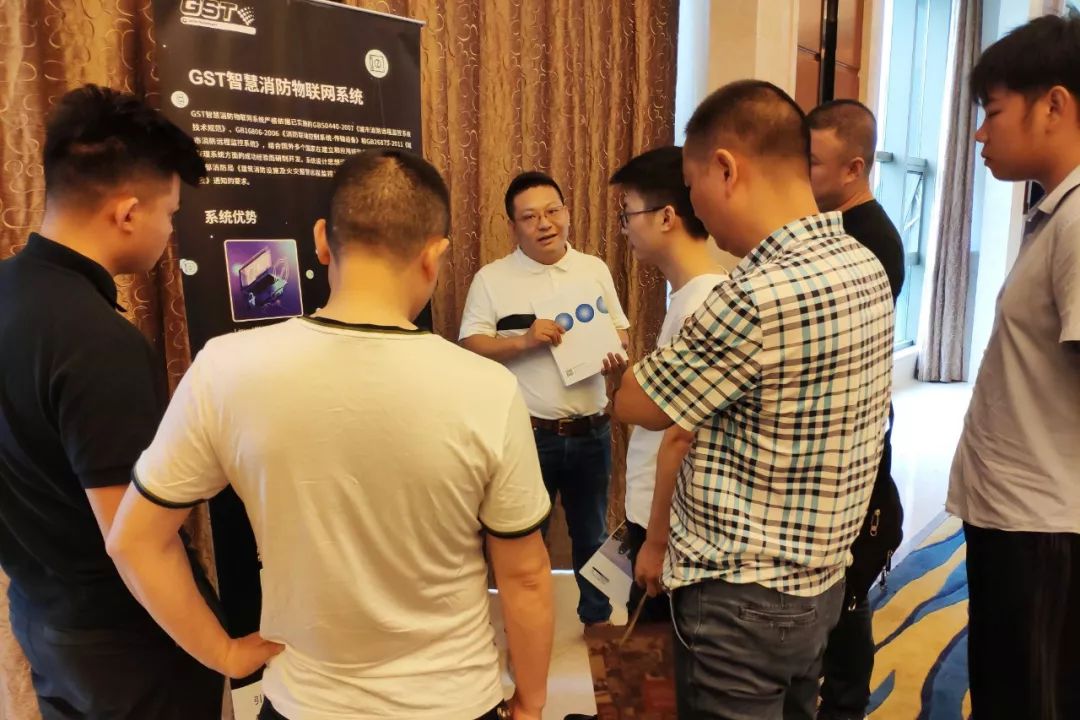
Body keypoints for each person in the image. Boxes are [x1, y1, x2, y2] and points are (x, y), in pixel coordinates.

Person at [106, 150, 556, 720]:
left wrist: (224, 653)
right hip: (455, 700)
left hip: (304, 703)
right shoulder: (487, 388)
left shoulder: (226, 367)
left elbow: (133, 540)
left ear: (321, 241)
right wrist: (531, 702)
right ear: (434, 254)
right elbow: (525, 577)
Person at [603, 80, 894, 719]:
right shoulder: (863, 263)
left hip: (740, 599)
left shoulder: (753, 295)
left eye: (693, 186)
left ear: (726, 169)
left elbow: (638, 405)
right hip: (821, 581)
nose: (697, 211)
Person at [0, 84, 223, 719]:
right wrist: (225, 652)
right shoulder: (98, 341)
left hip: (40, 614)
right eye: (170, 214)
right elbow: (134, 541)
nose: (170, 231)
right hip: (125, 643)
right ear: (127, 213)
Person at [948, 15, 1080, 720]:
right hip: (1019, 516)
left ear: (1054, 105)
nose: (979, 134)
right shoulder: (1056, 213)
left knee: (1032, 698)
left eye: (992, 112)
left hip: (1045, 526)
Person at [459, 171, 630, 627]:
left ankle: (596, 618)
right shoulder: (493, 278)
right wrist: (523, 342)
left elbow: (621, 329)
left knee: (592, 532)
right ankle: (525, 625)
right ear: (513, 225)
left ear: (567, 212)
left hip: (592, 429)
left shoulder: (593, 269)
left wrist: (613, 351)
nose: (545, 223)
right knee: (522, 536)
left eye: (553, 211)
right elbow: (471, 343)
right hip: (528, 434)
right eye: (530, 216)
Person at [807, 99, 906, 720]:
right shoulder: (845, 228)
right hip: (851, 438)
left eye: (812, 162)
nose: (802, 174)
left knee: (848, 596)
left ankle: (845, 705)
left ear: (854, 168)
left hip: (856, 443)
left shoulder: (868, 240)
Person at [608, 146, 726, 621]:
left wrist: (656, 541)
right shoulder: (690, 296)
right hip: (657, 514)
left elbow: (680, 434)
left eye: (628, 213)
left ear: (666, 217)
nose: (624, 228)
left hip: (672, 525)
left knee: (655, 650)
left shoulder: (704, 303)